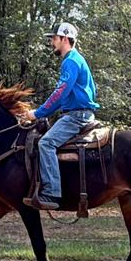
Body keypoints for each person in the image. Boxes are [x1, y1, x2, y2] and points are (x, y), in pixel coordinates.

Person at [22, 22, 100, 210]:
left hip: (76, 116)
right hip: (78, 113)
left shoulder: (71, 61)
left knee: (46, 143)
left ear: (65, 38)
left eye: (54, 39)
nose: (52, 43)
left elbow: (60, 93)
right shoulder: (76, 60)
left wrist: (37, 113)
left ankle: (51, 193)